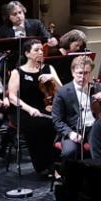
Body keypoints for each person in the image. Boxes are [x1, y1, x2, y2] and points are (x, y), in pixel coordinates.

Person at [8, 40, 63, 175]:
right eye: (36, 50)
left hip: (45, 106)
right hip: (24, 109)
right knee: (40, 125)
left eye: (41, 50)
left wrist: (53, 79)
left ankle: (57, 163)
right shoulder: (18, 72)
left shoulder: (49, 68)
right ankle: (45, 165)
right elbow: (12, 97)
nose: (40, 52)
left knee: (56, 122)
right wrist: (30, 109)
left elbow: (62, 91)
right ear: (27, 53)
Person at [51, 54, 99, 162]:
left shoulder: (97, 88)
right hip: (73, 129)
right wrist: (70, 133)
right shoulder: (62, 92)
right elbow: (57, 120)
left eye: (86, 73)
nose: (83, 77)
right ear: (73, 73)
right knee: (69, 151)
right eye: (80, 73)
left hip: (94, 128)